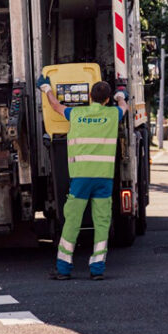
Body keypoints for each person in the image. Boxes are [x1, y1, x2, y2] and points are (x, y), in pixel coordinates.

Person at [37, 75, 128, 281]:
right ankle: (97, 269)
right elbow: (125, 107)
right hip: (103, 179)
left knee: (72, 221)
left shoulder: (76, 113)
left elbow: (55, 105)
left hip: (80, 179)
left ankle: (63, 268)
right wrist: (121, 95)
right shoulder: (113, 114)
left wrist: (46, 88)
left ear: (89, 96)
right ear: (107, 100)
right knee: (102, 223)